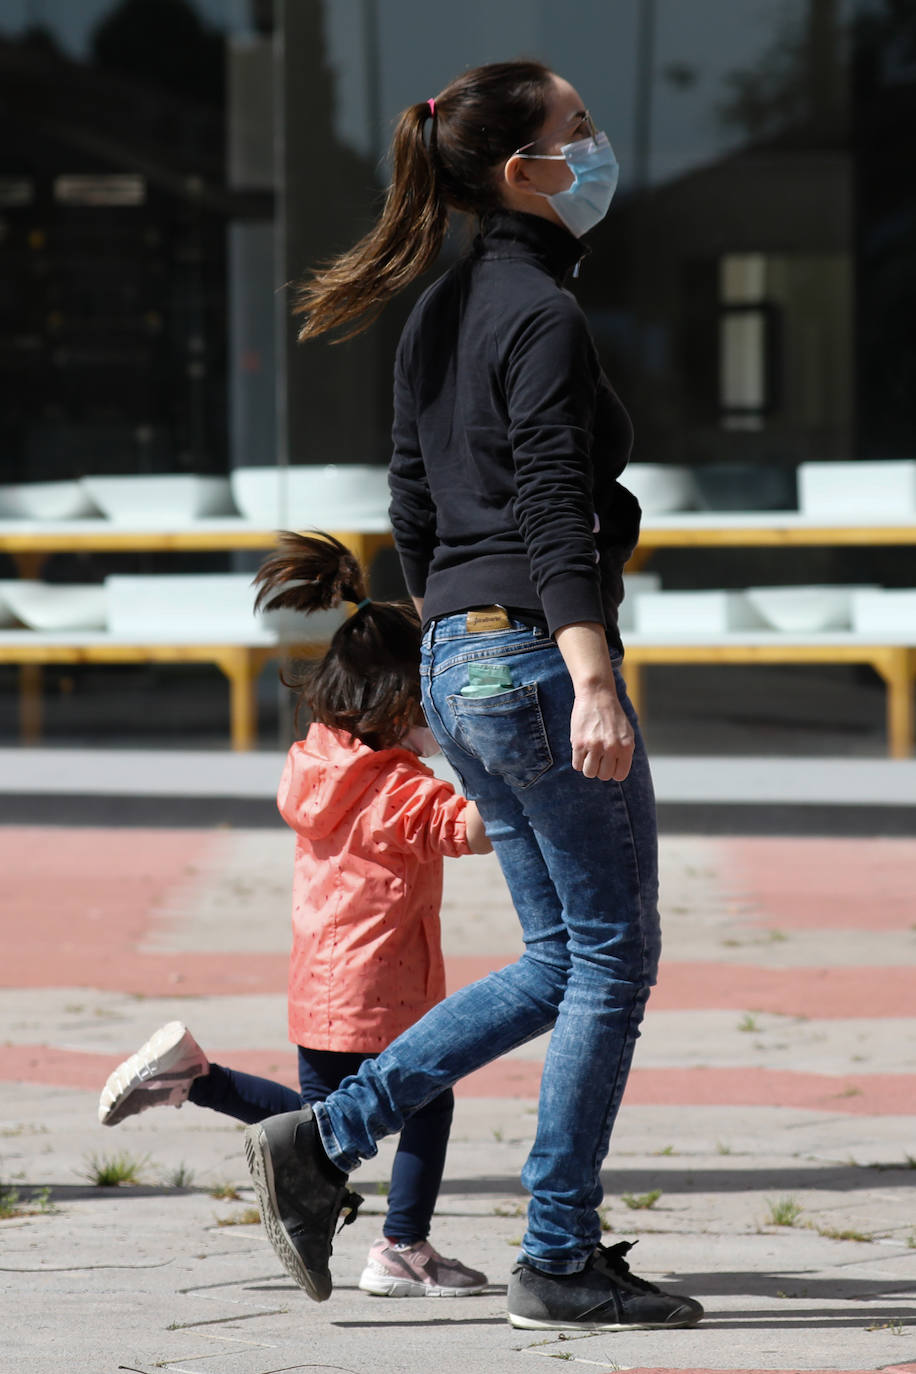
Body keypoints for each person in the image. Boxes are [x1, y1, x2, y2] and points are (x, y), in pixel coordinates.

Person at [241, 60, 705, 1333]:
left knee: (564, 954)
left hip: (463, 647)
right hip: (535, 654)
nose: (597, 146)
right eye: (579, 130)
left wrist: (457, 646)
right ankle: (555, 1255)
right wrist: (588, 670)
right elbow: (552, 497)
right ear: (521, 170)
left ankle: (322, 1141)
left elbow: (412, 506)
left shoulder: (441, 312)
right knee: (611, 956)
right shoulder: (539, 316)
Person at [97, 532, 491, 1300]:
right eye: (436, 703)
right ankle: (403, 1248)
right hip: (387, 991)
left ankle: (194, 1078)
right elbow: (467, 830)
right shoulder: (397, 788)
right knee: (425, 1104)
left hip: (319, 986)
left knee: (319, 1128)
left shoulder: (316, 761)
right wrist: (511, 772)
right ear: (404, 703)